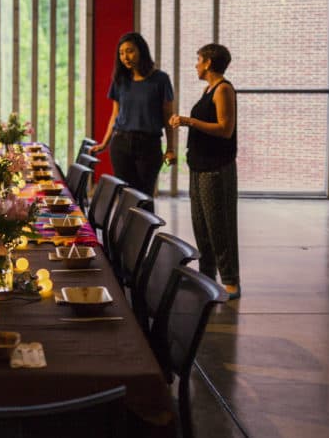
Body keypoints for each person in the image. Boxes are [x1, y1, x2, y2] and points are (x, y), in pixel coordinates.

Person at [170, 43, 240, 299]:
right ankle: (207, 277)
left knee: (219, 226)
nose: (196, 64)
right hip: (199, 166)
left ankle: (230, 281)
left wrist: (189, 121)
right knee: (201, 225)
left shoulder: (223, 89)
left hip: (216, 168)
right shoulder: (208, 89)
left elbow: (225, 129)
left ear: (209, 62)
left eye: (198, 59)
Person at [91, 32, 174, 197]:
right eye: (121, 53)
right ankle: (124, 224)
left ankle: (147, 224)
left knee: (144, 196)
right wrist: (105, 143)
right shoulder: (120, 80)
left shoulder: (161, 79)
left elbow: (168, 116)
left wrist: (170, 148)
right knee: (125, 195)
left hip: (149, 145)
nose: (125, 57)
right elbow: (115, 114)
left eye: (129, 51)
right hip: (121, 143)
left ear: (141, 50)